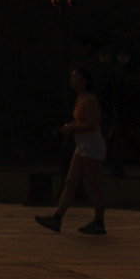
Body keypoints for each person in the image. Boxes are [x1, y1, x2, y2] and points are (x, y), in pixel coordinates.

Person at [37, 67, 109, 235]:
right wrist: (71, 126)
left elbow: (93, 124)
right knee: (70, 182)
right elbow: (81, 121)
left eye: (75, 76)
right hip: (82, 144)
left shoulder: (90, 99)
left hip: (92, 144)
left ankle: (99, 221)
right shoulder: (79, 99)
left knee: (95, 184)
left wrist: (72, 127)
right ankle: (57, 218)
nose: (72, 79)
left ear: (84, 80)